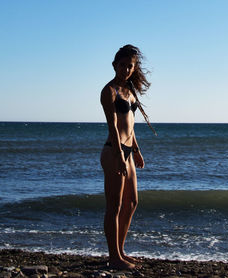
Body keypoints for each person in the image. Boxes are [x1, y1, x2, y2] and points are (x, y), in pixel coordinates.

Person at [100, 44, 154, 269]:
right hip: (114, 151)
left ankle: (120, 251)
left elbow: (130, 127)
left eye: (130, 66)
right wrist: (120, 155)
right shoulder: (109, 91)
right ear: (114, 65)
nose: (126, 69)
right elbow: (113, 126)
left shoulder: (130, 91)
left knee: (131, 202)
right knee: (114, 205)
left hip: (129, 151)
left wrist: (137, 151)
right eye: (122, 65)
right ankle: (114, 258)